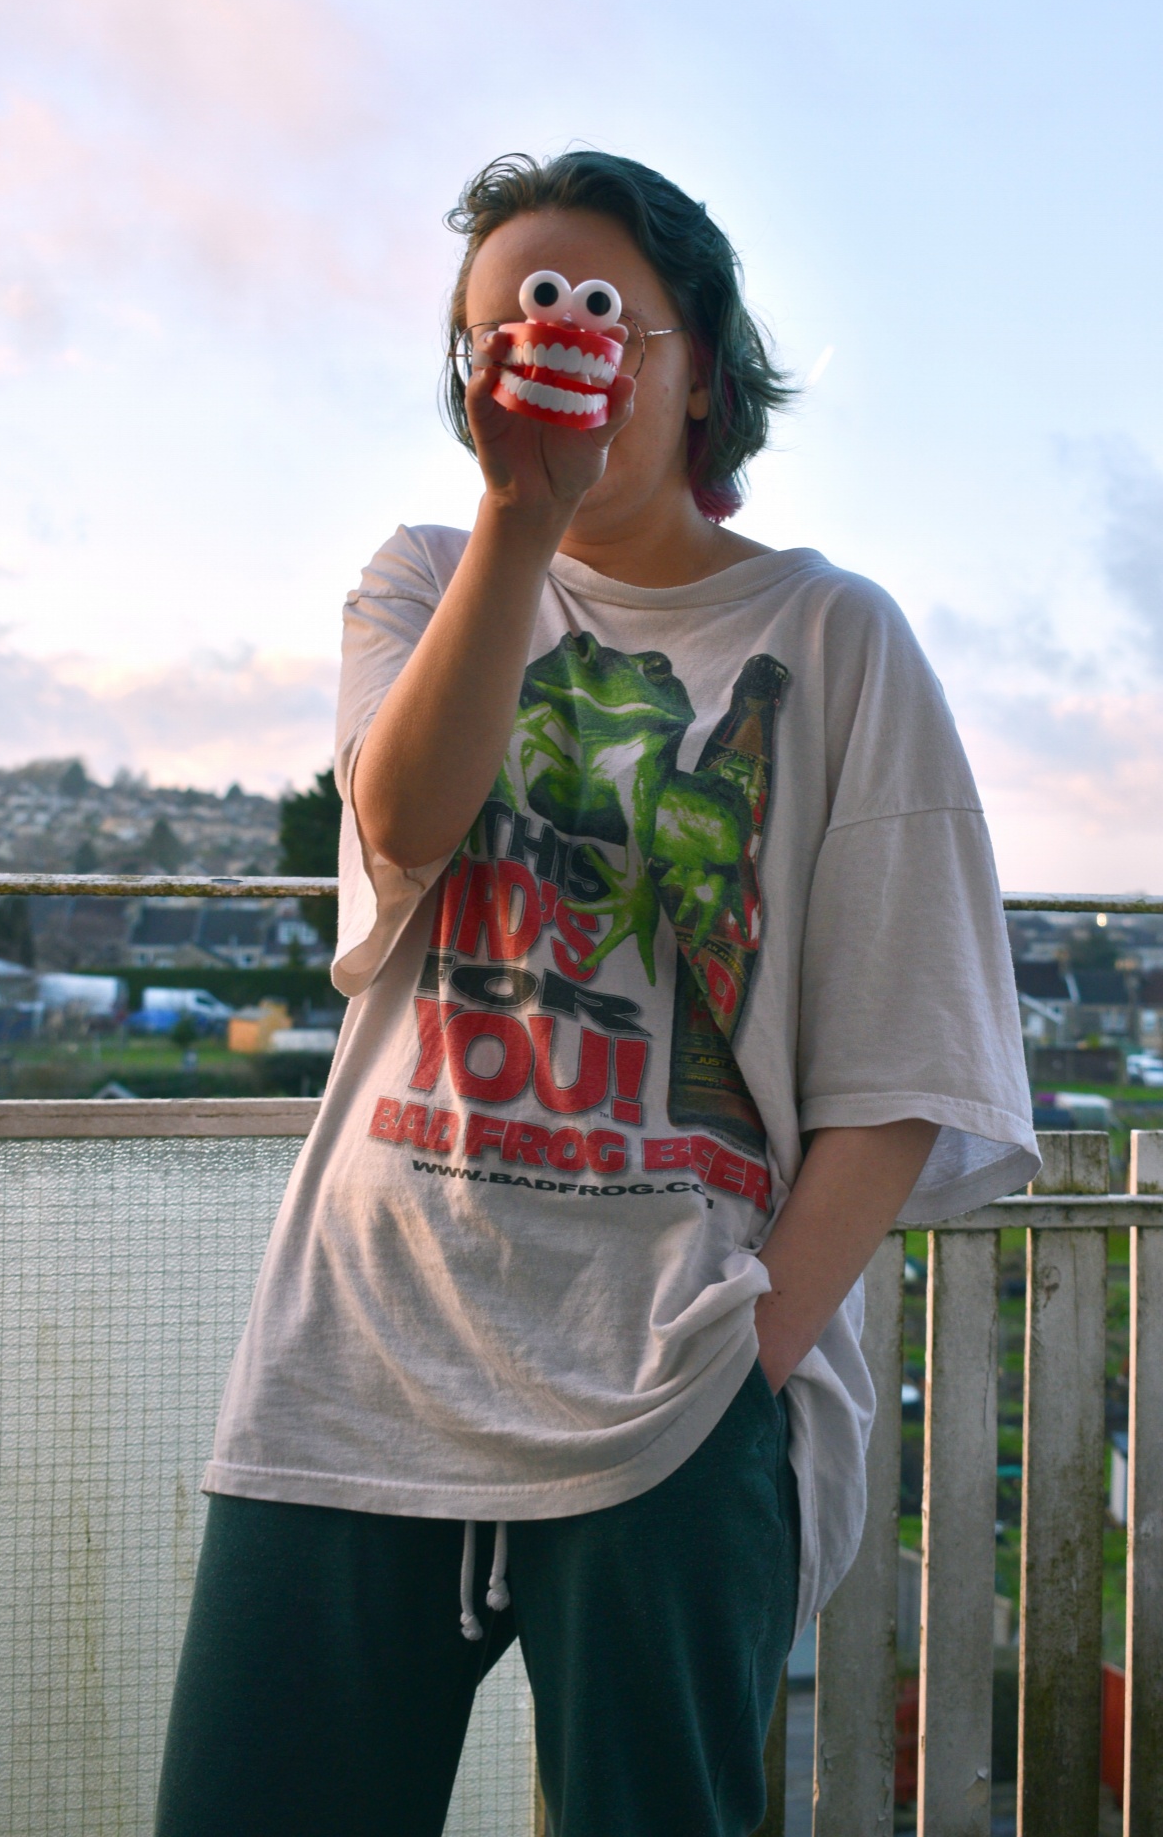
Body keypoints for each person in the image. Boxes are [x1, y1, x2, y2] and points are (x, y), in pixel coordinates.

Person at [155, 151, 1038, 1837]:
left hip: (673, 1390)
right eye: (507, 325)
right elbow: (404, 821)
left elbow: (906, 1060)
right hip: (360, 1361)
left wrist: (747, 1363)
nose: (555, 341)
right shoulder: (423, 578)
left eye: (600, 311)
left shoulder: (837, 639)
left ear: (699, 359)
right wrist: (519, 517)